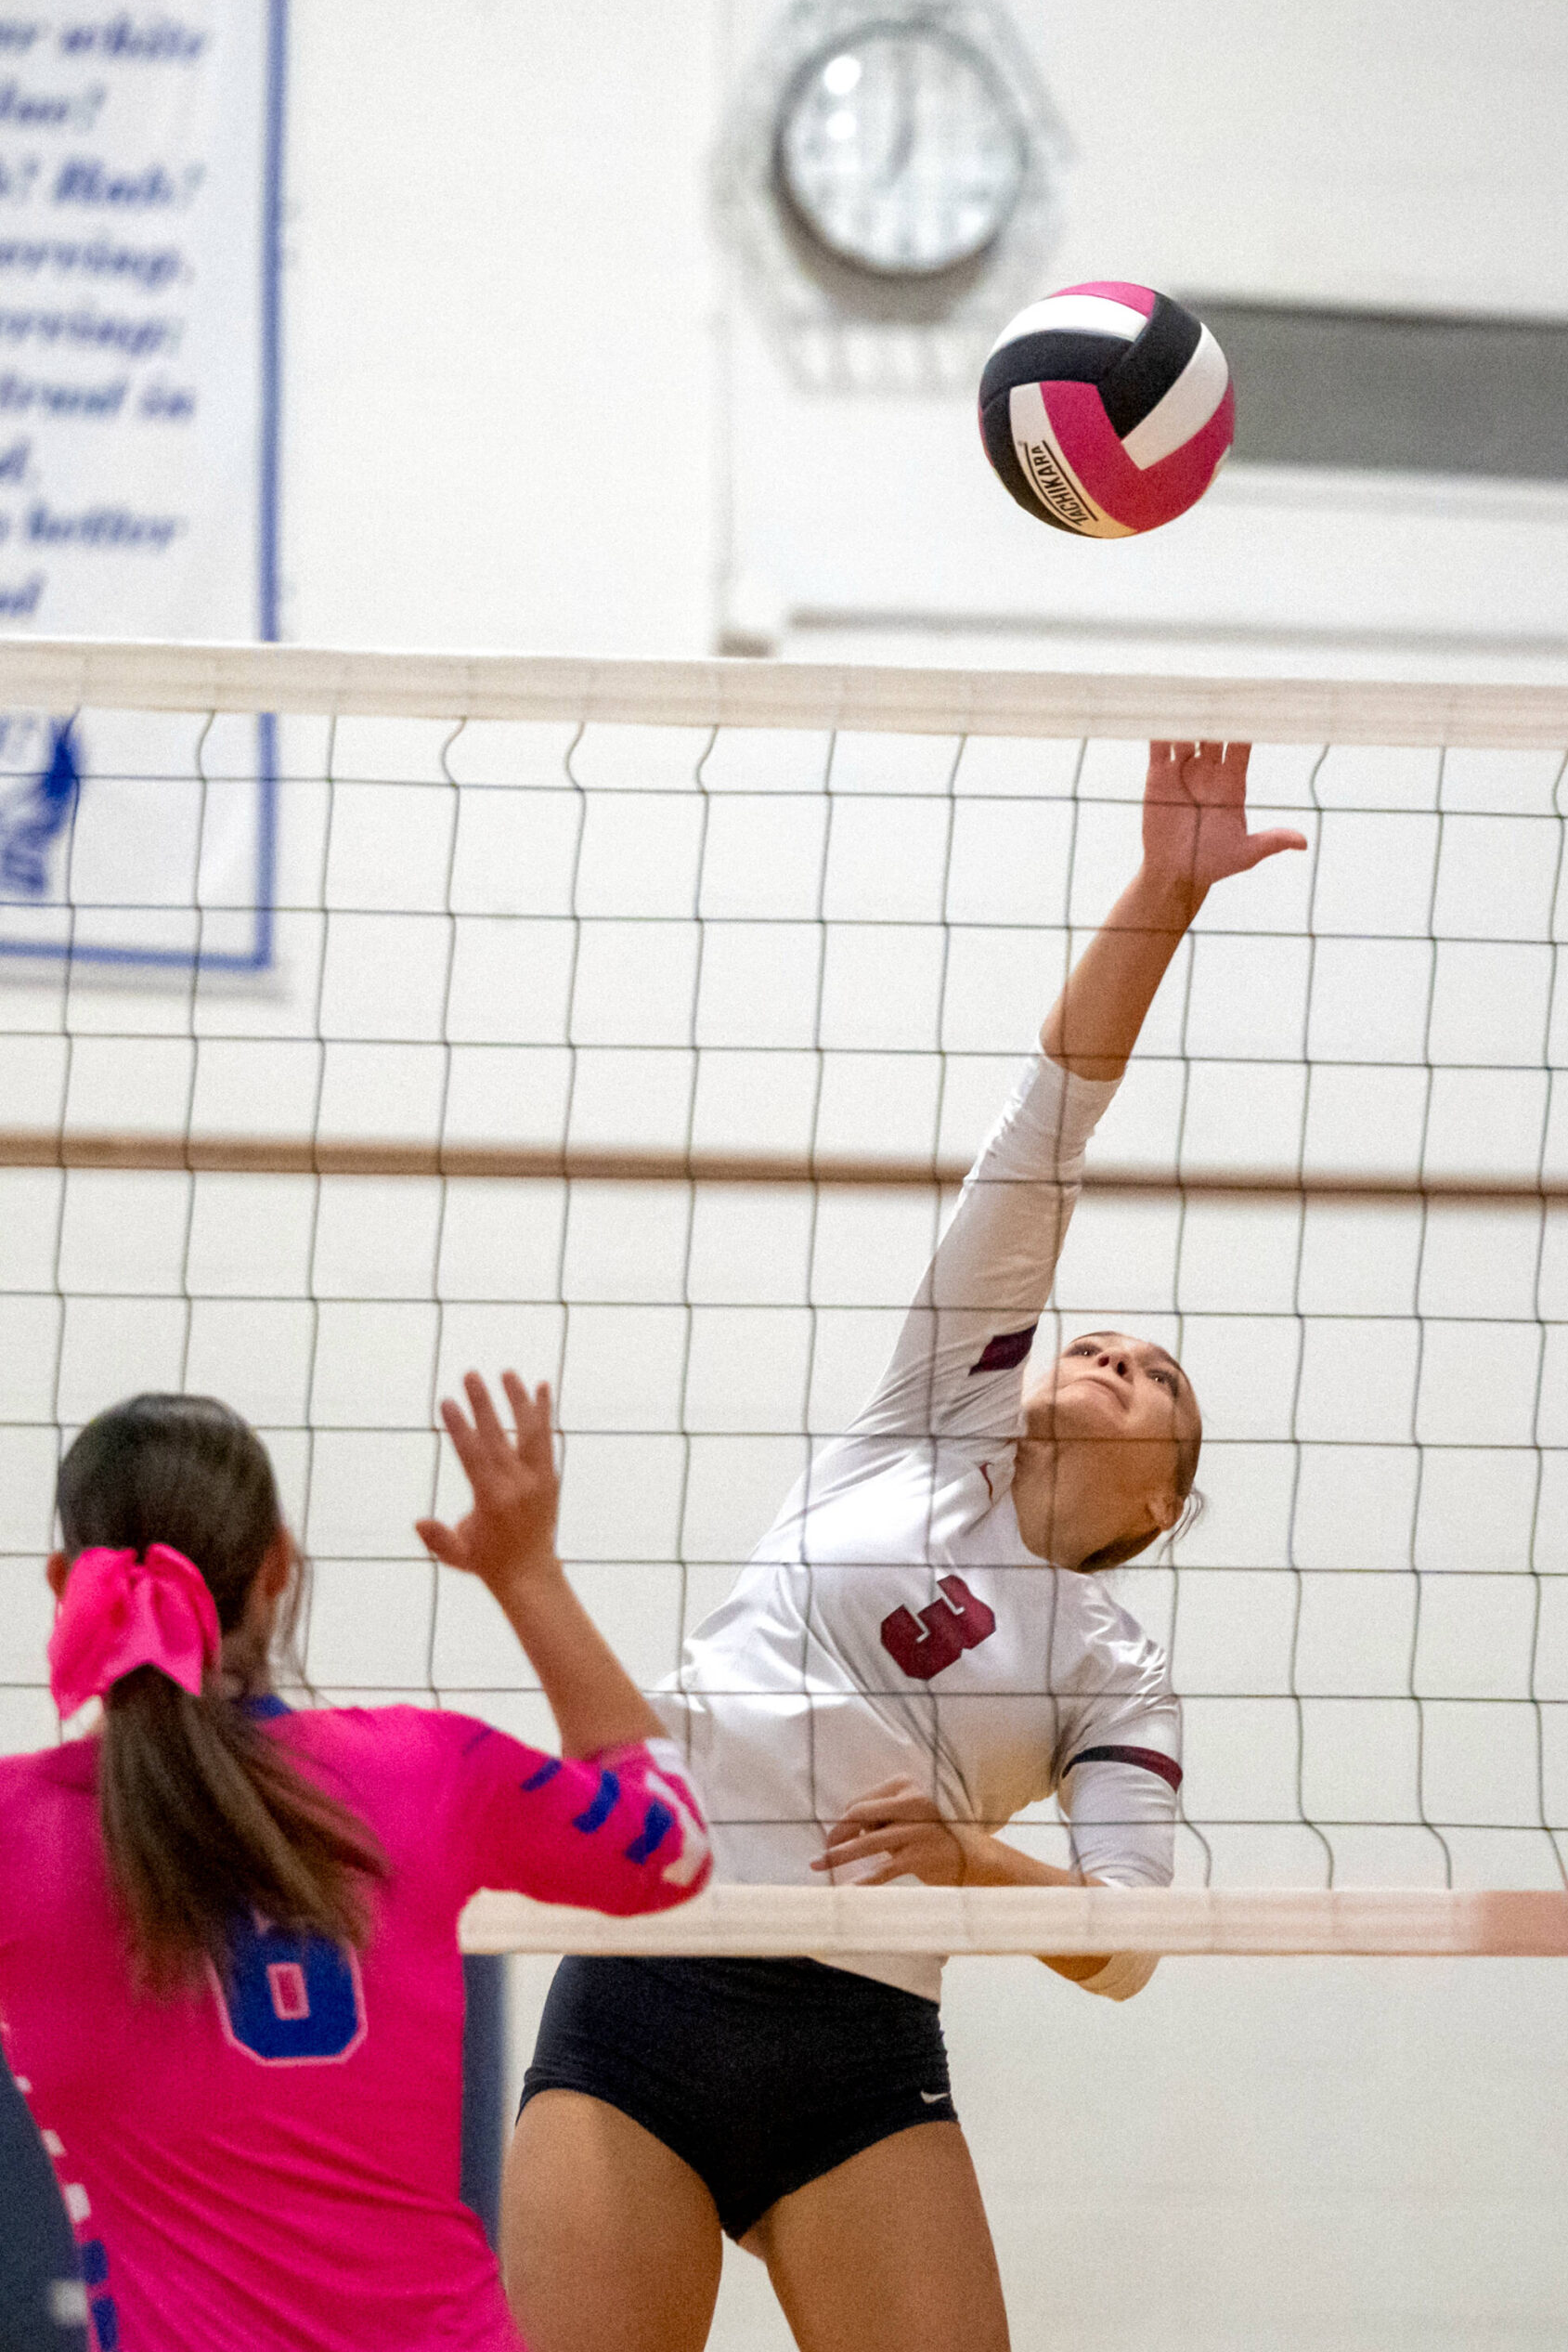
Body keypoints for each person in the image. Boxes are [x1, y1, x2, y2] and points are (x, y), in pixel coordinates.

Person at [503, 740, 1306, 2352]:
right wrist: (1161, 895)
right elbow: (1045, 1136)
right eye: (1101, 1341)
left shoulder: (1112, 1675)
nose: (1112, 1357)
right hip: (652, 1968)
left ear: (1158, 1504)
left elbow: (1123, 1947)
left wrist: (973, 1865)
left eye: (1154, 1378)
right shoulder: (931, 1418)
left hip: (858, 2042)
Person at [0, 1370, 710, 2352]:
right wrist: (527, 1573)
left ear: (64, 1585)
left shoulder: (15, 1825)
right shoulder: (426, 1766)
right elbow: (672, 1849)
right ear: (278, 1568)